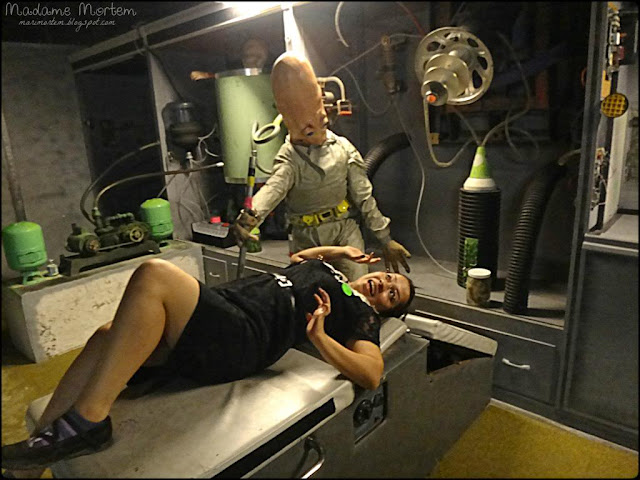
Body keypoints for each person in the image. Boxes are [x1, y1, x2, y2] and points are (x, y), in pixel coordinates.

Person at [1, 245, 415, 475]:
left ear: (385, 310)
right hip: (227, 311)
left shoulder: (361, 315)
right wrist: (339, 252)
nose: (382, 285)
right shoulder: (338, 276)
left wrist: (320, 339)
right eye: (387, 277)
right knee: (105, 337)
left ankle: (88, 421)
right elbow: (301, 259)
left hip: (245, 336)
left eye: (391, 294)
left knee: (154, 273)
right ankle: (33, 461)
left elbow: (371, 374)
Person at [233, 51, 411, 281]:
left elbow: (364, 197)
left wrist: (385, 239)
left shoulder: (343, 149)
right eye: (307, 129)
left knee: (356, 288)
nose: (316, 130)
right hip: (306, 239)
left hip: (344, 232)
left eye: (321, 122)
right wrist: (249, 218)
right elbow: (273, 189)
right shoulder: (290, 159)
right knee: (311, 290)